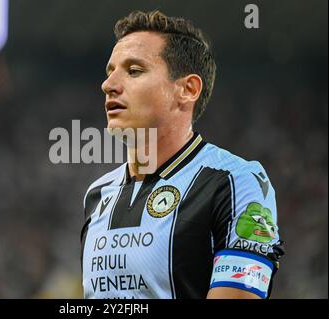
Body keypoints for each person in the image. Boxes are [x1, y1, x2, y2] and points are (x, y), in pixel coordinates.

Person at [80, 10, 284, 299]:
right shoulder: (97, 194)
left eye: (134, 70)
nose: (108, 84)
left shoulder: (236, 182)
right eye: (109, 71)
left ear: (187, 89)